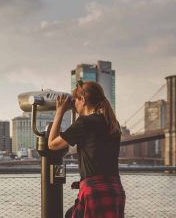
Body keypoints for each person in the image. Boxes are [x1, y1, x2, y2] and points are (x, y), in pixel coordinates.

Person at [48, 80, 126, 218]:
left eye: (75, 101)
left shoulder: (85, 123)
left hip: (95, 193)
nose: (75, 106)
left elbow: (52, 144)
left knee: (68, 215)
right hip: (115, 191)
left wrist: (60, 112)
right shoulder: (112, 123)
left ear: (82, 100)